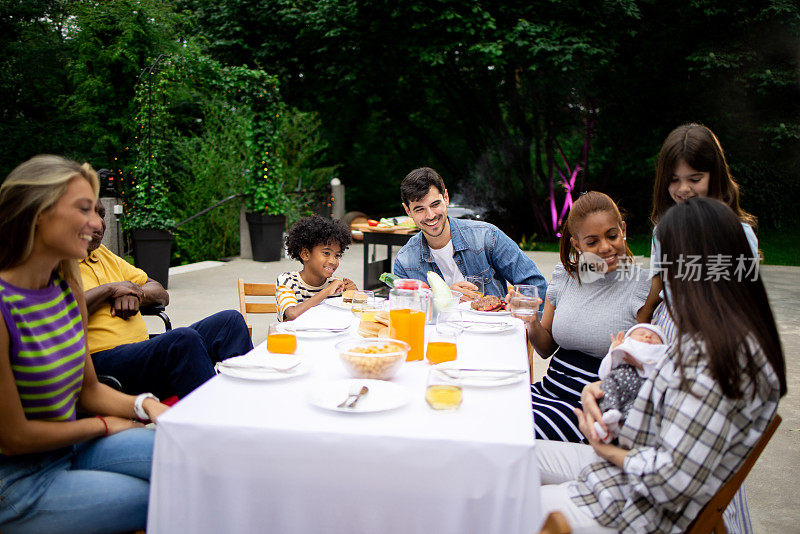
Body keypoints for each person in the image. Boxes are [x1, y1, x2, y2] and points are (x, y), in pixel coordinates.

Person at [536, 198, 786, 533]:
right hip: (621, 465)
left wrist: (604, 449)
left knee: (507, 499)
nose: (660, 275)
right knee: (511, 459)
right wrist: (605, 388)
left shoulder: (721, 358)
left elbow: (670, 481)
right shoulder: (706, 327)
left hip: (632, 502)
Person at [0, 155, 170, 533]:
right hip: (17, 482)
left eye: (97, 210)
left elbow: (89, 390)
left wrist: (148, 407)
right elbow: (14, 439)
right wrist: (104, 426)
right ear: (38, 214)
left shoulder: (66, 287)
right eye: (84, 209)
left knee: (192, 460)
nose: (97, 224)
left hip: (69, 449)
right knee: (166, 497)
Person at [80, 199, 253, 400]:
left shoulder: (102, 254)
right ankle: (214, 422)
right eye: (88, 212)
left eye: (101, 214)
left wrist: (136, 293)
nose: (99, 223)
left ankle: (247, 403)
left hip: (142, 349)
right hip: (103, 362)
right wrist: (111, 290)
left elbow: (159, 290)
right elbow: (61, 311)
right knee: (183, 341)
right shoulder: (59, 262)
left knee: (229, 322)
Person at [525, 192, 651, 443]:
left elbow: (646, 365)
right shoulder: (566, 275)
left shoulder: (644, 285)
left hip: (591, 407)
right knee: (485, 413)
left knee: (517, 433)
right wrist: (529, 318)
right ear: (576, 244)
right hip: (548, 391)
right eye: (592, 242)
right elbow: (545, 347)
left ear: (623, 230)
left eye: (612, 235)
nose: (605, 247)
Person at [638, 123, 759, 341]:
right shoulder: (663, 231)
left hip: (718, 334)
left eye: (695, 179)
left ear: (715, 176)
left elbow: (744, 299)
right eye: (674, 180)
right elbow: (658, 283)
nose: (683, 189)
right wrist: (639, 328)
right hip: (668, 327)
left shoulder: (738, 232)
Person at [393, 167, 547, 302]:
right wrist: (446, 297)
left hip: (492, 330)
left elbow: (535, 284)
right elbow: (405, 311)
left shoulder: (487, 236)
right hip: (438, 335)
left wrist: (518, 309)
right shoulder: (405, 262)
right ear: (408, 211)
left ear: (445, 198)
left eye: (435, 204)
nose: (430, 215)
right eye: (420, 209)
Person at [593, 324, 668, 443]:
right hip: (618, 383)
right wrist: (613, 352)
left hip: (643, 388)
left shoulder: (663, 354)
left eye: (655, 337)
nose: (648, 336)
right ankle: (607, 418)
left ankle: (615, 430)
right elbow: (603, 374)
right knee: (607, 388)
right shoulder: (624, 350)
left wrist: (641, 365)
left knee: (633, 410)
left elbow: (663, 372)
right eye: (641, 334)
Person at [277, 215, 357, 321]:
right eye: (326, 253)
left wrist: (355, 297)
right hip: (294, 337)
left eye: (337, 255)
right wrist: (326, 292)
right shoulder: (288, 280)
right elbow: (292, 314)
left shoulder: (335, 286)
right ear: (305, 254)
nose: (333, 261)